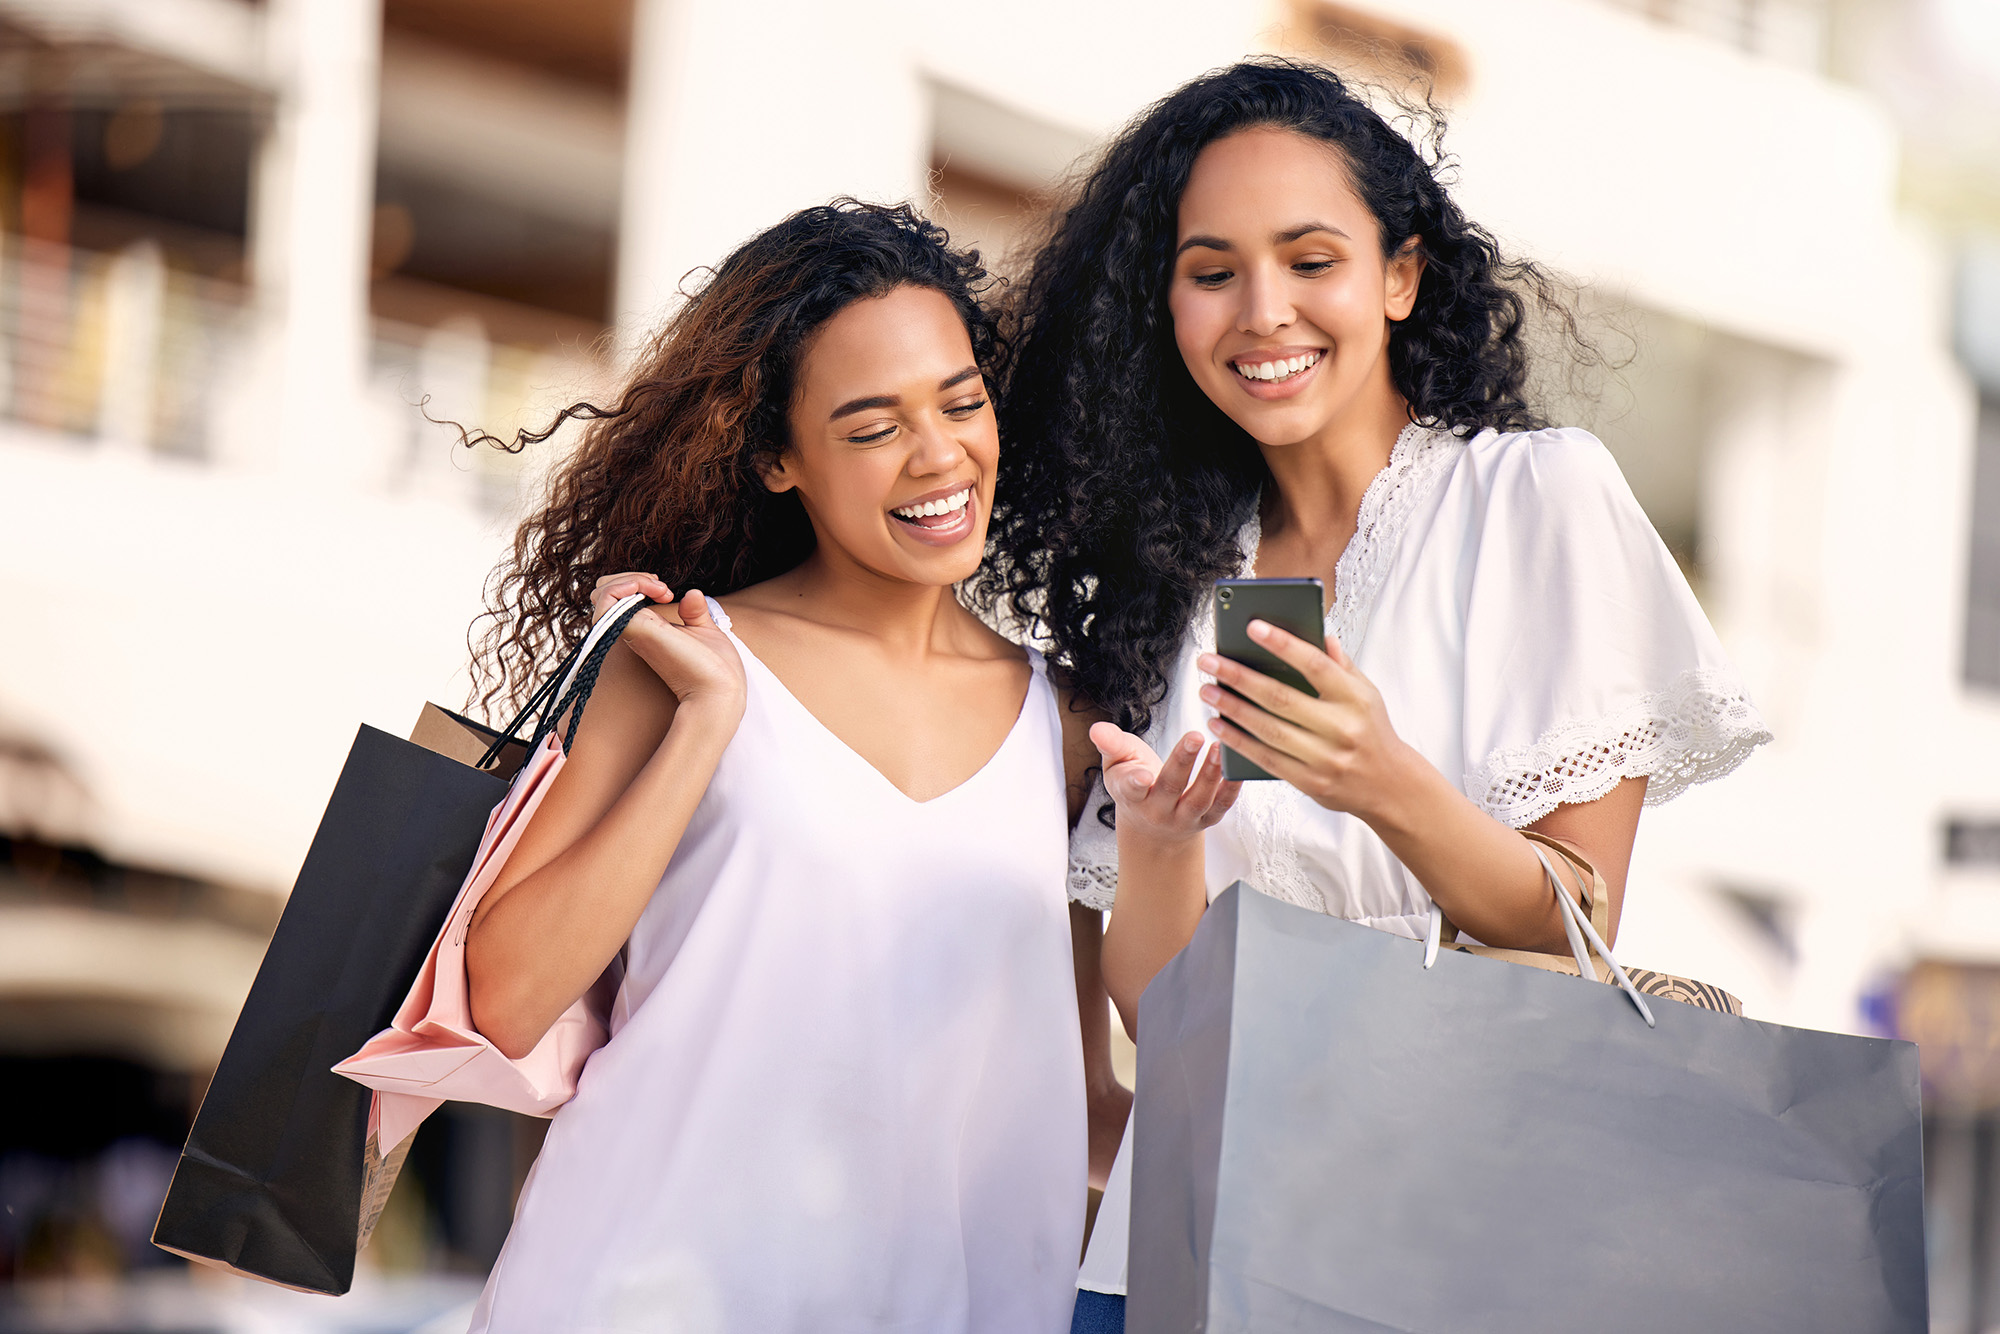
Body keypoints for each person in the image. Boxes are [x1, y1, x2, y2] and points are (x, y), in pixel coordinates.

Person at [979, 59, 1774, 1330]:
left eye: (1309, 259)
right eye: (1210, 270)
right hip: (1179, 1243)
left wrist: (1380, 778)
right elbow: (1159, 1009)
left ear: (1398, 276)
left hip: (1443, 1240)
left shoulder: (1533, 499)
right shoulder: (1166, 576)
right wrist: (1160, 841)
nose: (1262, 312)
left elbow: (1569, 923)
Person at [456, 201, 1114, 1333]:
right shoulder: (675, 662)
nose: (939, 454)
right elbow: (505, 1000)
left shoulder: (1067, 719)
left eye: (960, 401)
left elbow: (1068, 1091)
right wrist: (708, 724)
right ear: (774, 458)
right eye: (871, 427)